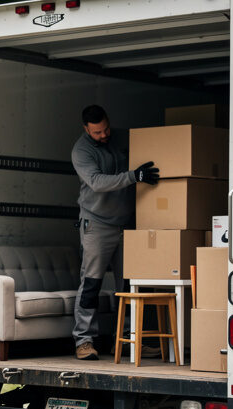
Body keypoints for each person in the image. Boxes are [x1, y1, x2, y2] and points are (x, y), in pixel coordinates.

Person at [71, 105, 159, 360]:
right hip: (97, 223)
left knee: (130, 284)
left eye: (106, 128)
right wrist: (134, 176)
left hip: (126, 222)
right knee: (92, 282)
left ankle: (130, 341)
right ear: (86, 129)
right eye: (97, 132)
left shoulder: (121, 137)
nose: (104, 135)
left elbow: (150, 148)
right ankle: (84, 341)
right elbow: (97, 182)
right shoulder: (82, 150)